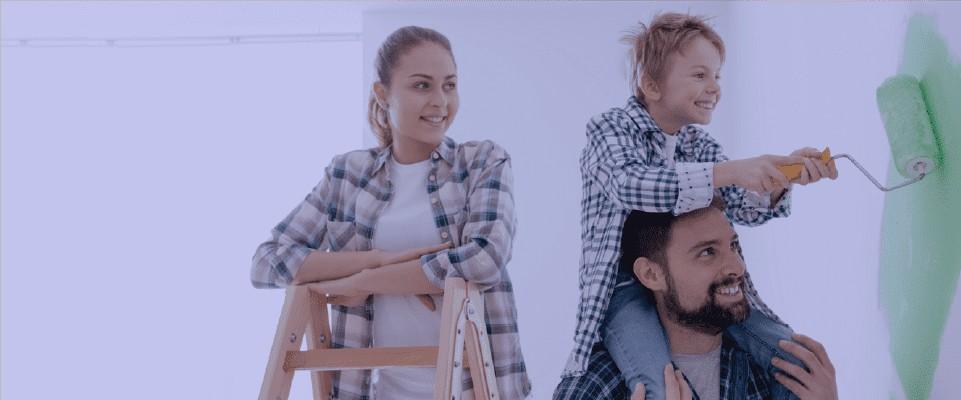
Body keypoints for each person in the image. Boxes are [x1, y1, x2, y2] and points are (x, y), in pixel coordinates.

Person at [567, 12, 838, 400]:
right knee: (659, 387)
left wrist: (782, 178)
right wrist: (730, 172)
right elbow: (632, 187)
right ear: (651, 85)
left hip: (684, 282)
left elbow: (743, 207)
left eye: (717, 76)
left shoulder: (699, 145)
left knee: (798, 365)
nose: (714, 87)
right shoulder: (611, 129)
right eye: (699, 75)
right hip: (623, 286)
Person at [250, 26, 530, 399]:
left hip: (470, 388)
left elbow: (485, 258)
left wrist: (364, 282)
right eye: (421, 85)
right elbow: (267, 263)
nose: (440, 102)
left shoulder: (482, 162)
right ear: (383, 94)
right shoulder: (346, 175)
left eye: (449, 85)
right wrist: (381, 260)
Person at [556, 200, 838, 399]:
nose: (737, 267)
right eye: (707, 253)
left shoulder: (768, 369)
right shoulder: (594, 385)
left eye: (734, 246)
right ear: (651, 274)